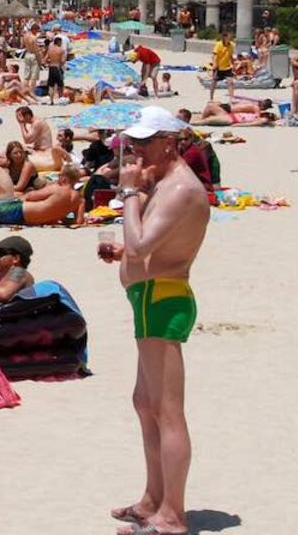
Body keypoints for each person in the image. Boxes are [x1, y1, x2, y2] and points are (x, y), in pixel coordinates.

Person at [103, 107, 210, 535]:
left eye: (145, 143)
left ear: (169, 142)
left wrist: (129, 194)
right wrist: (121, 250)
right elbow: (143, 245)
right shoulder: (167, 183)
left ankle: (172, 515)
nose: (136, 150)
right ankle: (153, 499)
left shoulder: (182, 187)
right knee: (145, 404)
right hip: (151, 298)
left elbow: (143, 245)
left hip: (163, 300)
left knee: (167, 411)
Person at [0, 165, 86, 226]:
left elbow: (31, 197)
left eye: (59, 175)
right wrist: (58, 217)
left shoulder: (57, 188)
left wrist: (22, 196)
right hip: (29, 221)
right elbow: (78, 222)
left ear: (65, 179)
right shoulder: (80, 200)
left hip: (20, 211)